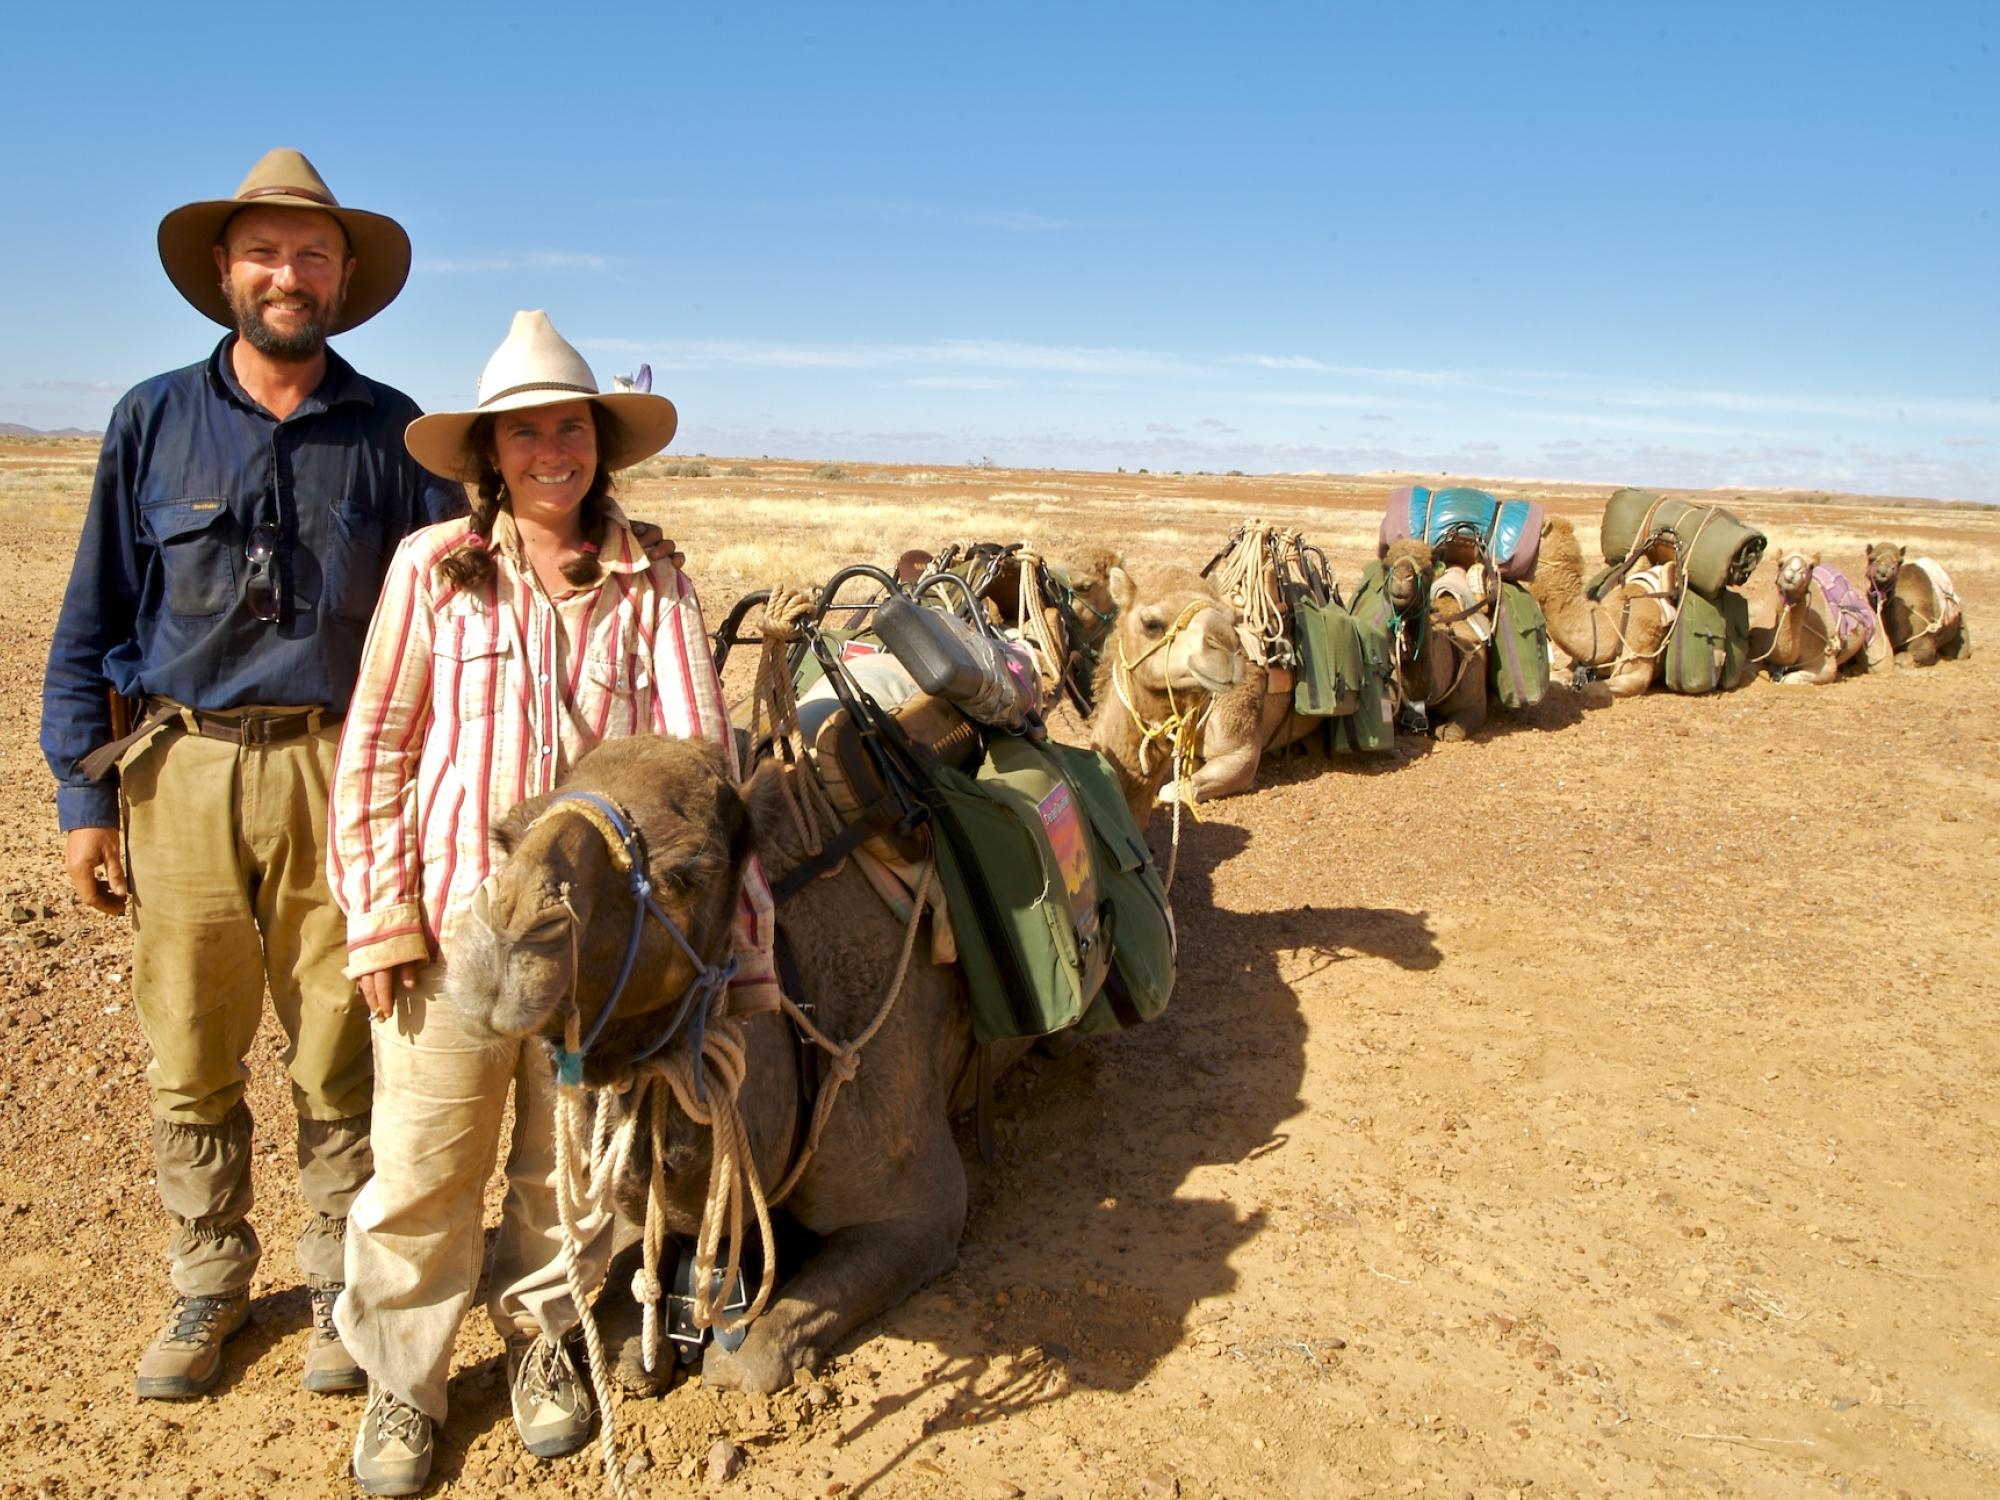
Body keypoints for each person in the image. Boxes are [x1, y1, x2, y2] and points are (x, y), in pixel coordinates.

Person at [327, 310, 777, 1495]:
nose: (549, 453)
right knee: (423, 1166)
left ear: (598, 442)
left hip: (601, 953)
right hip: (453, 930)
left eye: (568, 428)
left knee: (562, 1177)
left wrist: (746, 947)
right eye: (523, 433)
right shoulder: (433, 572)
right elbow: (375, 752)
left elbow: (702, 777)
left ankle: (547, 1348)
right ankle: (402, 1383)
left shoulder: (652, 579)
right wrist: (377, 917)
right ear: (489, 452)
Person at [40, 148, 464, 1402]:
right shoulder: (151, 420)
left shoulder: (397, 432)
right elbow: (93, 616)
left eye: (313, 254)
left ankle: (337, 1278)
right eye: (267, 253)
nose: (290, 274)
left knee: (344, 1040)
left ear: (345, 278)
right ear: (226, 271)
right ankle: (206, 1276)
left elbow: (454, 604)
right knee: (189, 1043)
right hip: (180, 773)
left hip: (342, 772)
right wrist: (82, 799)